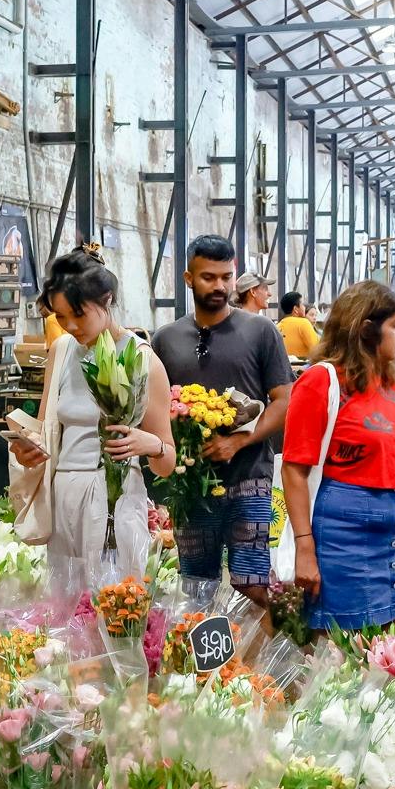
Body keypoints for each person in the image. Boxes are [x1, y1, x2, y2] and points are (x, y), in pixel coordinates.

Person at [282, 281, 395, 632]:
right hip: (341, 545)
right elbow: (294, 472)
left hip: (393, 543)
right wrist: (304, 548)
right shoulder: (321, 383)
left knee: (392, 656)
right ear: (367, 329)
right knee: (343, 657)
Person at [8, 250, 177, 582]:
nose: (70, 327)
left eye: (79, 314)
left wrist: (150, 444)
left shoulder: (143, 360)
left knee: (112, 606)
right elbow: (43, 432)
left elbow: (167, 462)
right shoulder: (61, 351)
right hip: (62, 498)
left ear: (107, 299)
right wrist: (28, 450)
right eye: (60, 317)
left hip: (114, 502)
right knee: (66, 606)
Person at [153, 237, 294, 603]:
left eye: (226, 277)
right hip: (191, 489)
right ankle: (205, 660)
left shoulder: (261, 331)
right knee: (195, 587)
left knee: (253, 584)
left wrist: (240, 440)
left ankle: (263, 659)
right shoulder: (165, 340)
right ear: (188, 278)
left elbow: (284, 401)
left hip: (249, 479)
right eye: (208, 277)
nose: (219, 286)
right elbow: (153, 408)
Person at [278, 291, 321, 358]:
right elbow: (317, 350)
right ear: (295, 309)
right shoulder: (303, 323)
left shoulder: (278, 326)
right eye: (302, 304)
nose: (304, 307)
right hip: (302, 366)